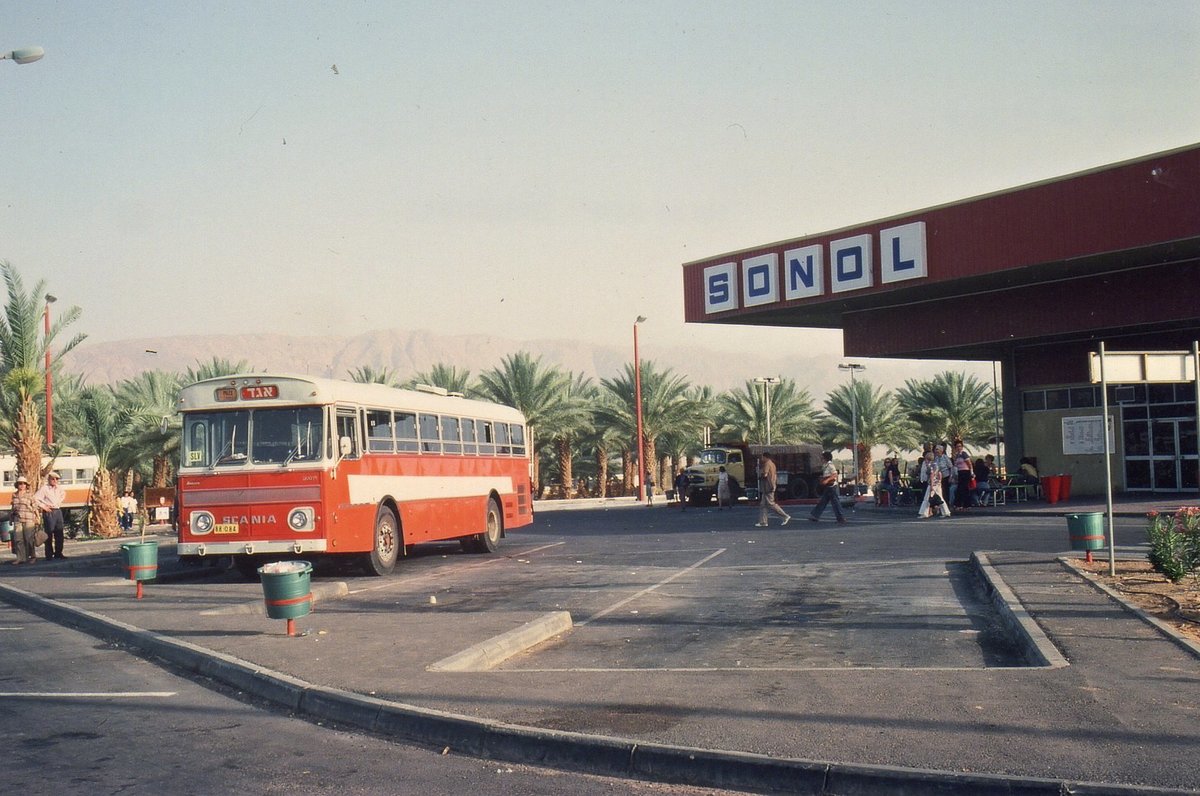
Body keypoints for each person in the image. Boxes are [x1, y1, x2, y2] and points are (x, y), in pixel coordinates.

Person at [34, 471, 67, 559]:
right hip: (49, 512)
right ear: (49, 479)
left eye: (56, 479)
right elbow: (35, 498)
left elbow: (63, 495)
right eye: (53, 479)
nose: (55, 480)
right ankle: (49, 554)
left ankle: (58, 553)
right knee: (49, 533)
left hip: (58, 511)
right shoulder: (45, 488)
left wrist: (59, 503)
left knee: (59, 533)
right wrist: (44, 506)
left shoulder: (59, 489)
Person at [808, 451, 846, 524]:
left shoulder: (830, 465)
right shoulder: (825, 465)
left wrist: (827, 480)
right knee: (823, 501)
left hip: (831, 486)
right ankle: (815, 516)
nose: (821, 459)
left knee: (835, 502)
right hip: (828, 487)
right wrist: (822, 478)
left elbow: (835, 474)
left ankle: (841, 518)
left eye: (822, 458)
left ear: (825, 458)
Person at [755, 451, 791, 527]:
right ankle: (763, 522)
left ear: (765, 457)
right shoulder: (772, 464)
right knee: (763, 505)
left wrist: (759, 473)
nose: (762, 459)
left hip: (768, 486)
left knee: (771, 504)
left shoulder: (767, 464)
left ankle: (785, 516)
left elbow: (765, 474)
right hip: (769, 486)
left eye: (762, 457)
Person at [10, 476, 40, 565]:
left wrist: (38, 518)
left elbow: (35, 507)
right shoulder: (14, 495)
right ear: (17, 485)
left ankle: (33, 556)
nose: (22, 485)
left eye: (24, 483)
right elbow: (13, 508)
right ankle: (21, 558)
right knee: (18, 539)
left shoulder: (30, 495)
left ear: (26, 485)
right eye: (20, 483)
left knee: (29, 539)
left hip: (29, 519)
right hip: (17, 519)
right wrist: (11, 518)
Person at [918, 451, 951, 518]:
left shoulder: (931, 466)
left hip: (932, 484)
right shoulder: (936, 464)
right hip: (937, 484)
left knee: (926, 498)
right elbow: (939, 474)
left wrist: (931, 485)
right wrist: (939, 482)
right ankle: (946, 512)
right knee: (941, 498)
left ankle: (924, 513)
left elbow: (932, 475)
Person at [952, 440, 973, 512]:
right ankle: (959, 504)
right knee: (959, 489)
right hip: (960, 473)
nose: (959, 448)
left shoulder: (964, 454)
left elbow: (969, 464)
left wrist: (971, 472)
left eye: (960, 446)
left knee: (964, 489)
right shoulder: (957, 455)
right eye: (957, 446)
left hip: (966, 472)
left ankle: (966, 505)